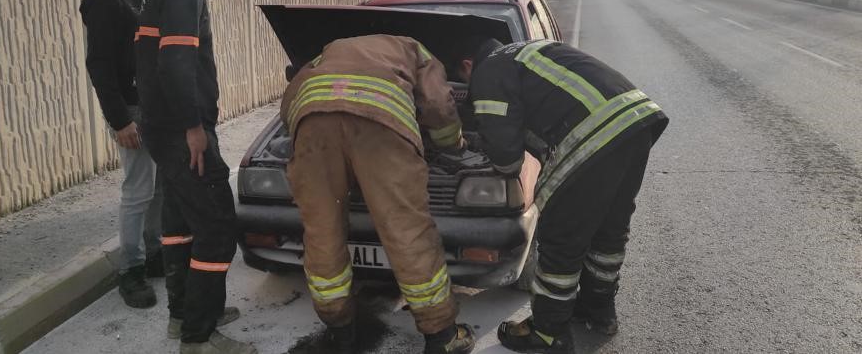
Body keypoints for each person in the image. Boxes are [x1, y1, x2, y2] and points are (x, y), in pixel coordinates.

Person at [454, 39, 668, 354]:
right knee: (608, 230)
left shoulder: (489, 70)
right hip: (635, 121)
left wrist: (482, 151)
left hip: (595, 134)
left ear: (468, 65)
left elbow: (507, 159)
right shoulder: (525, 53)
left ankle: (548, 332)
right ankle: (599, 310)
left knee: (561, 237)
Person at [282, 34, 477, 354]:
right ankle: (442, 336)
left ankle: (340, 332)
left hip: (314, 126)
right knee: (407, 231)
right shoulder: (416, 49)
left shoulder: (331, 49)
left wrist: (309, 140)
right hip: (382, 128)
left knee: (321, 232)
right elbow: (437, 105)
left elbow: (290, 100)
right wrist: (453, 145)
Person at [134, 0, 252, 354]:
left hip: (161, 130)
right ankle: (198, 337)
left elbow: (155, 66)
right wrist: (194, 129)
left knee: (180, 226)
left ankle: (184, 315)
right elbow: (176, 63)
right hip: (184, 134)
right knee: (218, 228)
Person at [79, 0, 169, 309]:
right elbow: (98, 65)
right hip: (132, 110)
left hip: (161, 108)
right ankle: (130, 271)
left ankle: (155, 255)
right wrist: (119, 121)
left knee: (160, 188)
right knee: (137, 191)